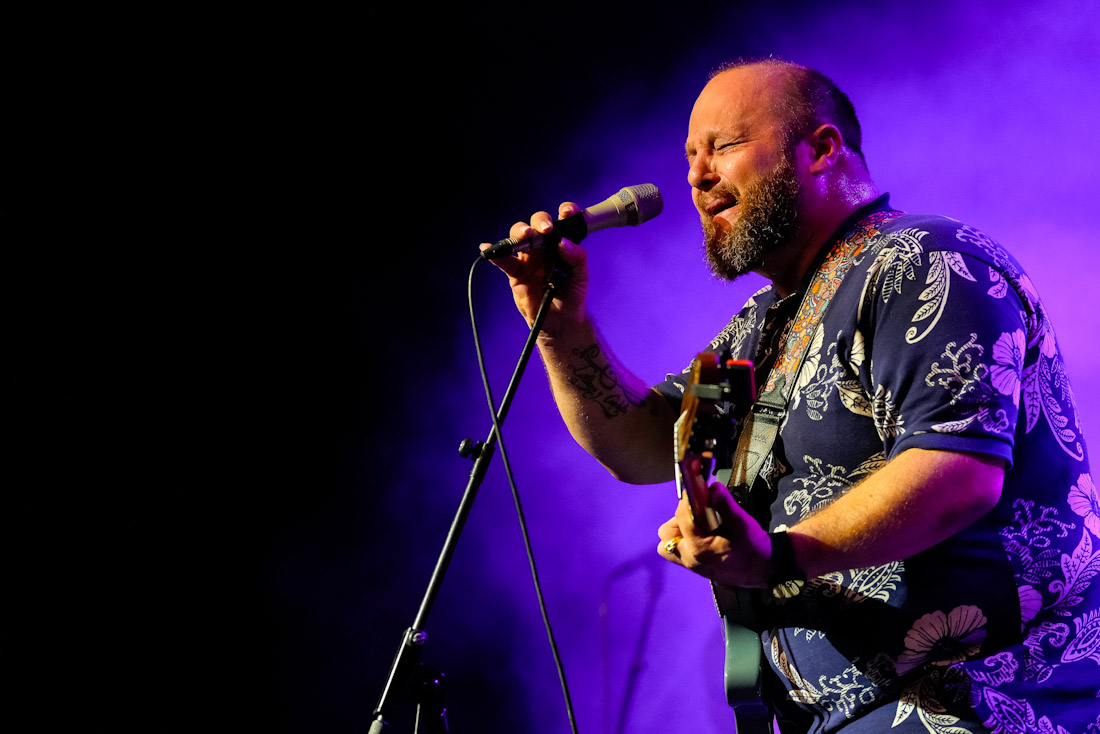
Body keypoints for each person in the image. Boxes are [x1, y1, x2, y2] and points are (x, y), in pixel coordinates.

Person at [483, 59, 1098, 733]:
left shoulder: (926, 261)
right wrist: (562, 328)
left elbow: (956, 473)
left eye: (723, 145)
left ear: (822, 149)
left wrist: (776, 557)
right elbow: (642, 443)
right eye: (690, 156)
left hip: (986, 705)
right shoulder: (761, 326)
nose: (696, 176)